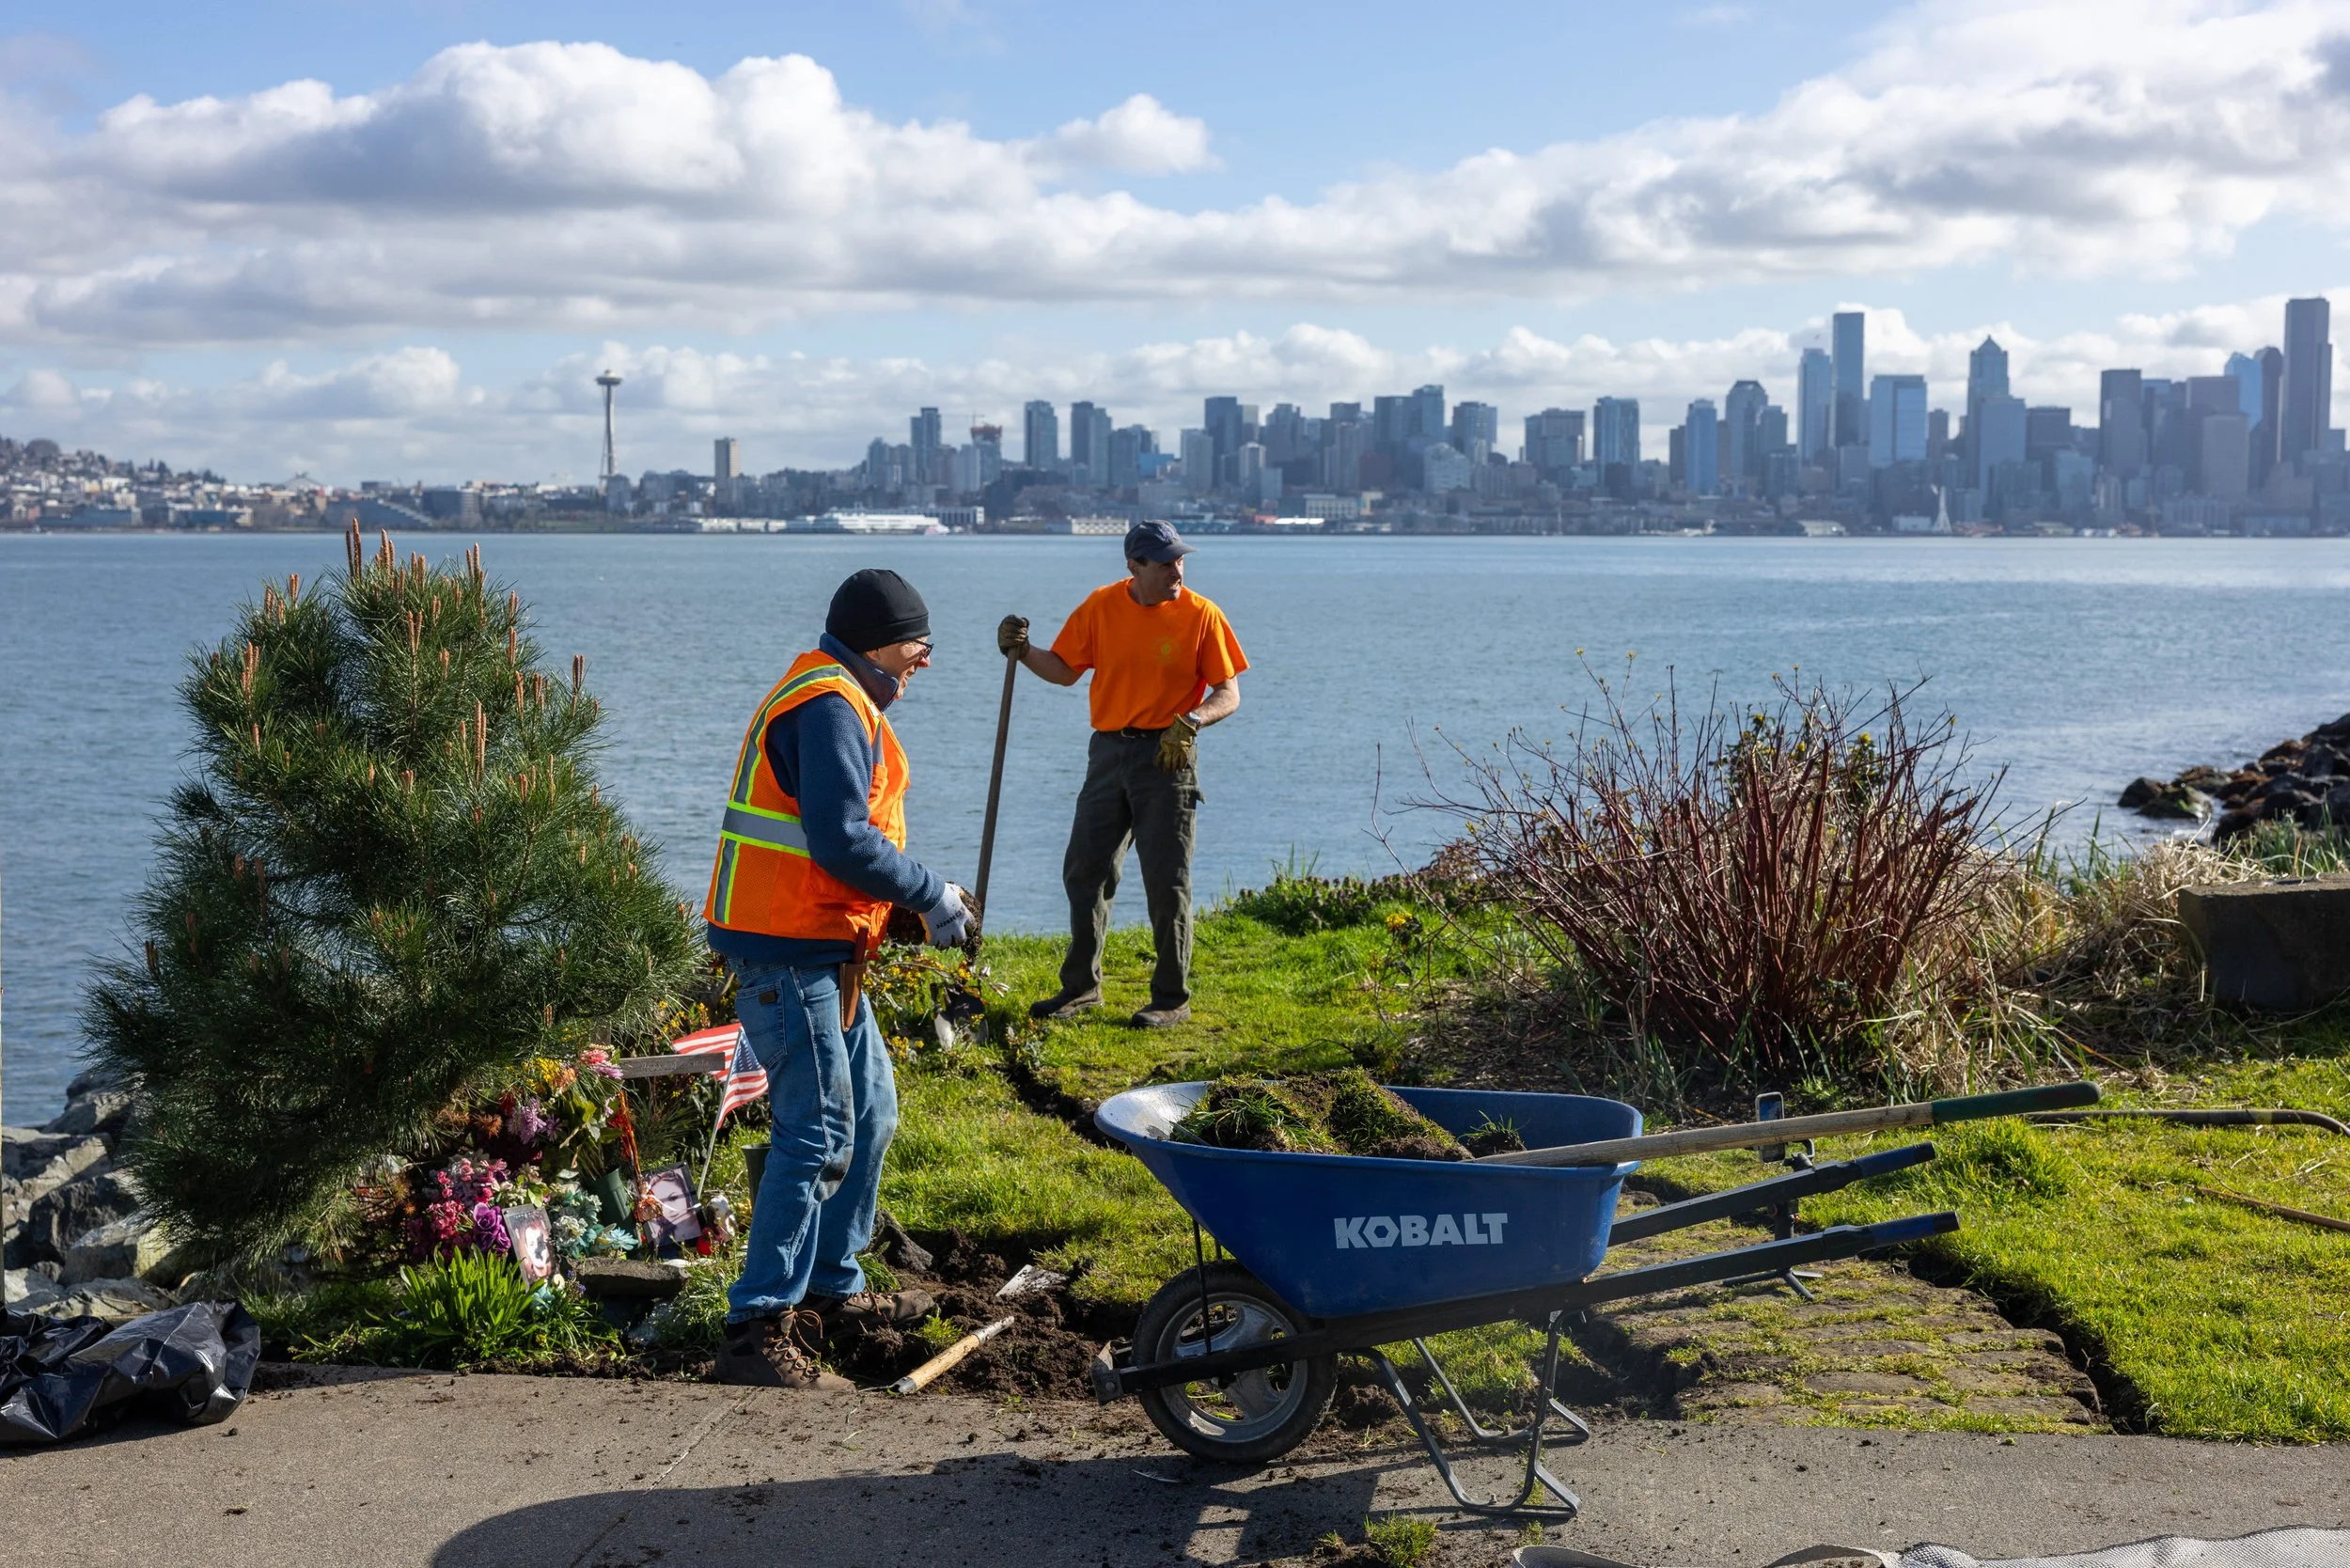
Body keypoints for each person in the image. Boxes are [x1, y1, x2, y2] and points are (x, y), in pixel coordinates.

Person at [703, 568, 971, 1390]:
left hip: (820, 949)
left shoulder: (839, 697)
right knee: (817, 1133)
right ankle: (757, 1328)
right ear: (878, 641)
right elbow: (841, 842)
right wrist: (931, 894)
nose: (926, 657)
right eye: (919, 641)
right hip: (787, 955)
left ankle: (831, 1289)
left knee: (873, 1116)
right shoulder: (827, 707)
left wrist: (920, 902)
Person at [998, 521, 1247, 1028]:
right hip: (1108, 753)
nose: (1177, 570)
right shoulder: (1100, 606)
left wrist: (1192, 721)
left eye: (1180, 560)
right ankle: (1081, 989)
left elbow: (1229, 692)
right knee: (1084, 871)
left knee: (1167, 879)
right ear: (1134, 566)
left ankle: (1171, 999)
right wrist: (1023, 653)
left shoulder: (1202, 615)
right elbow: (1065, 670)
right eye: (1165, 563)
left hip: (1168, 757)